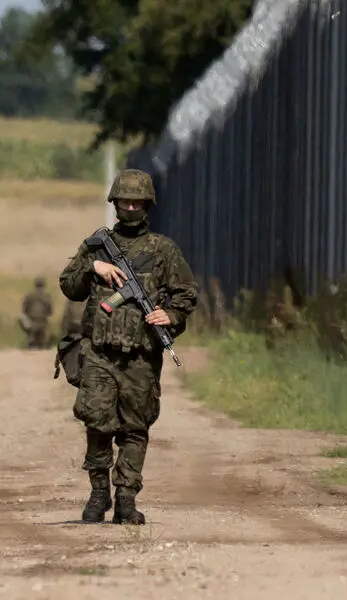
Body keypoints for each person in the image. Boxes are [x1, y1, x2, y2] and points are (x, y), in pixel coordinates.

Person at [58, 168, 198, 525]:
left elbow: (186, 293)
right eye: (125, 201)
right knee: (97, 423)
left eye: (137, 202)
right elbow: (69, 286)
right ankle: (98, 493)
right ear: (115, 203)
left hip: (141, 357)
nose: (131, 207)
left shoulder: (163, 250)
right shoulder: (95, 245)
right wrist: (94, 267)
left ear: (147, 204)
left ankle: (125, 496)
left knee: (136, 428)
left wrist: (170, 315)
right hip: (99, 354)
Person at [20, 276, 53, 349]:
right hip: (43, 321)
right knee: (43, 339)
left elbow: (24, 309)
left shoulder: (29, 295)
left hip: (31, 321)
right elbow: (50, 311)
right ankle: (43, 342)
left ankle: (31, 339)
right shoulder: (47, 296)